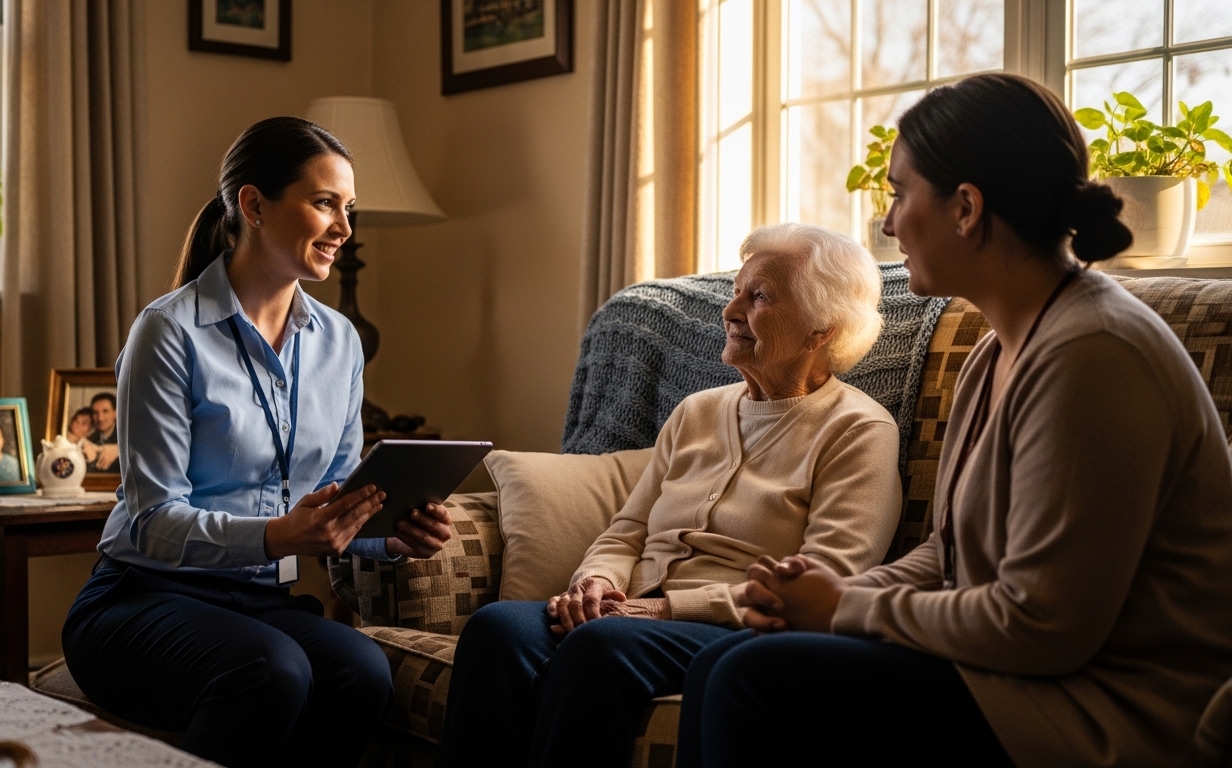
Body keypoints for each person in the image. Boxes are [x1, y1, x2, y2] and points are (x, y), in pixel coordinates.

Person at [680, 73, 1232, 768]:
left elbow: (1041, 626)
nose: (886, 223)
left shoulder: (1094, 354)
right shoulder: (998, 348)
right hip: (1020, 679)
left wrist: (844, 611)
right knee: (724, 659)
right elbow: (949, 552)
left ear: (966, 207)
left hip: (1103, 713)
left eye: (898, 194)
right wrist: (826, 594)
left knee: (750, 681)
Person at [61, 116, 456, 768]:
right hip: (139, 600)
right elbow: (153, 521)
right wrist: (278, 536)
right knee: (274, 670)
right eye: (325, 202)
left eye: (348, 207)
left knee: (362, 671)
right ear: (254, 205)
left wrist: (389, 533)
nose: (344, 228)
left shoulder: (339, 343)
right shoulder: (168, 333)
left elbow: (330, 502)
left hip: (259, 601)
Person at [438, 223, 904, 768]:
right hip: (628, 610)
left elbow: (826, 580)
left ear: (820, 330)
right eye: (737, 290)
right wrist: (596, 583)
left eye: (759, 298)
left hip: (731, 628)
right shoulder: (698, 411)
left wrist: (661, 609)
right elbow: (628, 529)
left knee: (600, 646)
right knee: (498, 629)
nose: (730, 312)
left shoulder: (858, 431)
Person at [84, 393, 119, 472]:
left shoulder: (128, 438)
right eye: (95, 413)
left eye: (105, 411)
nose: (100, 418)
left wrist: (120, 450)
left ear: (115, 413)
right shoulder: (89, 440)